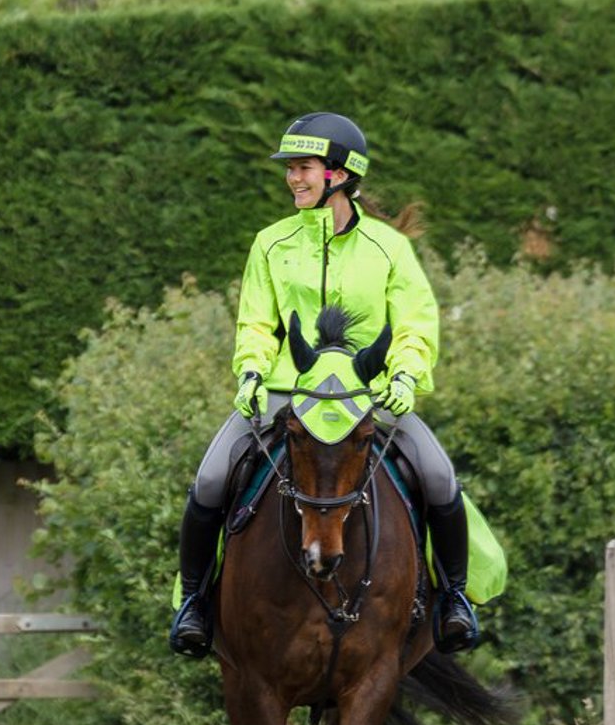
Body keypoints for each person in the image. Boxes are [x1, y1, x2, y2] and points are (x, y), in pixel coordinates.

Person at [167, 112, 480, 658]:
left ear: (338, 174)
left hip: (369, 398)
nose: (293, 177)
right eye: (291, 168)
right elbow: (256, 322)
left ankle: (453, 600)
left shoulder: (389, 249)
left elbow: (414, 322)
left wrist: (406, 375)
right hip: (288, 394)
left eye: (304, 167)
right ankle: (193, 604)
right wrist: (250, 372)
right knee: (211, 480)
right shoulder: (270, 244)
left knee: (438, 476)